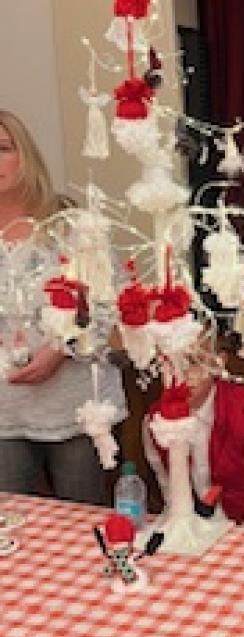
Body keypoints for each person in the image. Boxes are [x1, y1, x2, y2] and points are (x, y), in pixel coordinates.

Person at [0, 109, 126, 503]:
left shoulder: (71, 226)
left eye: (2, 149)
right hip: (5, 414)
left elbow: (111, 303)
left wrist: (61, 349)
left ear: (26, 155)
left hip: (76, 407)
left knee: (83, 522)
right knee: (13, 528)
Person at [143, 335, 244, 533]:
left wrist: (237, 545)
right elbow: (171, 497)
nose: (182, 375)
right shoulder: (156, 424)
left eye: (194, 362)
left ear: (218, 361)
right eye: (171, 363)